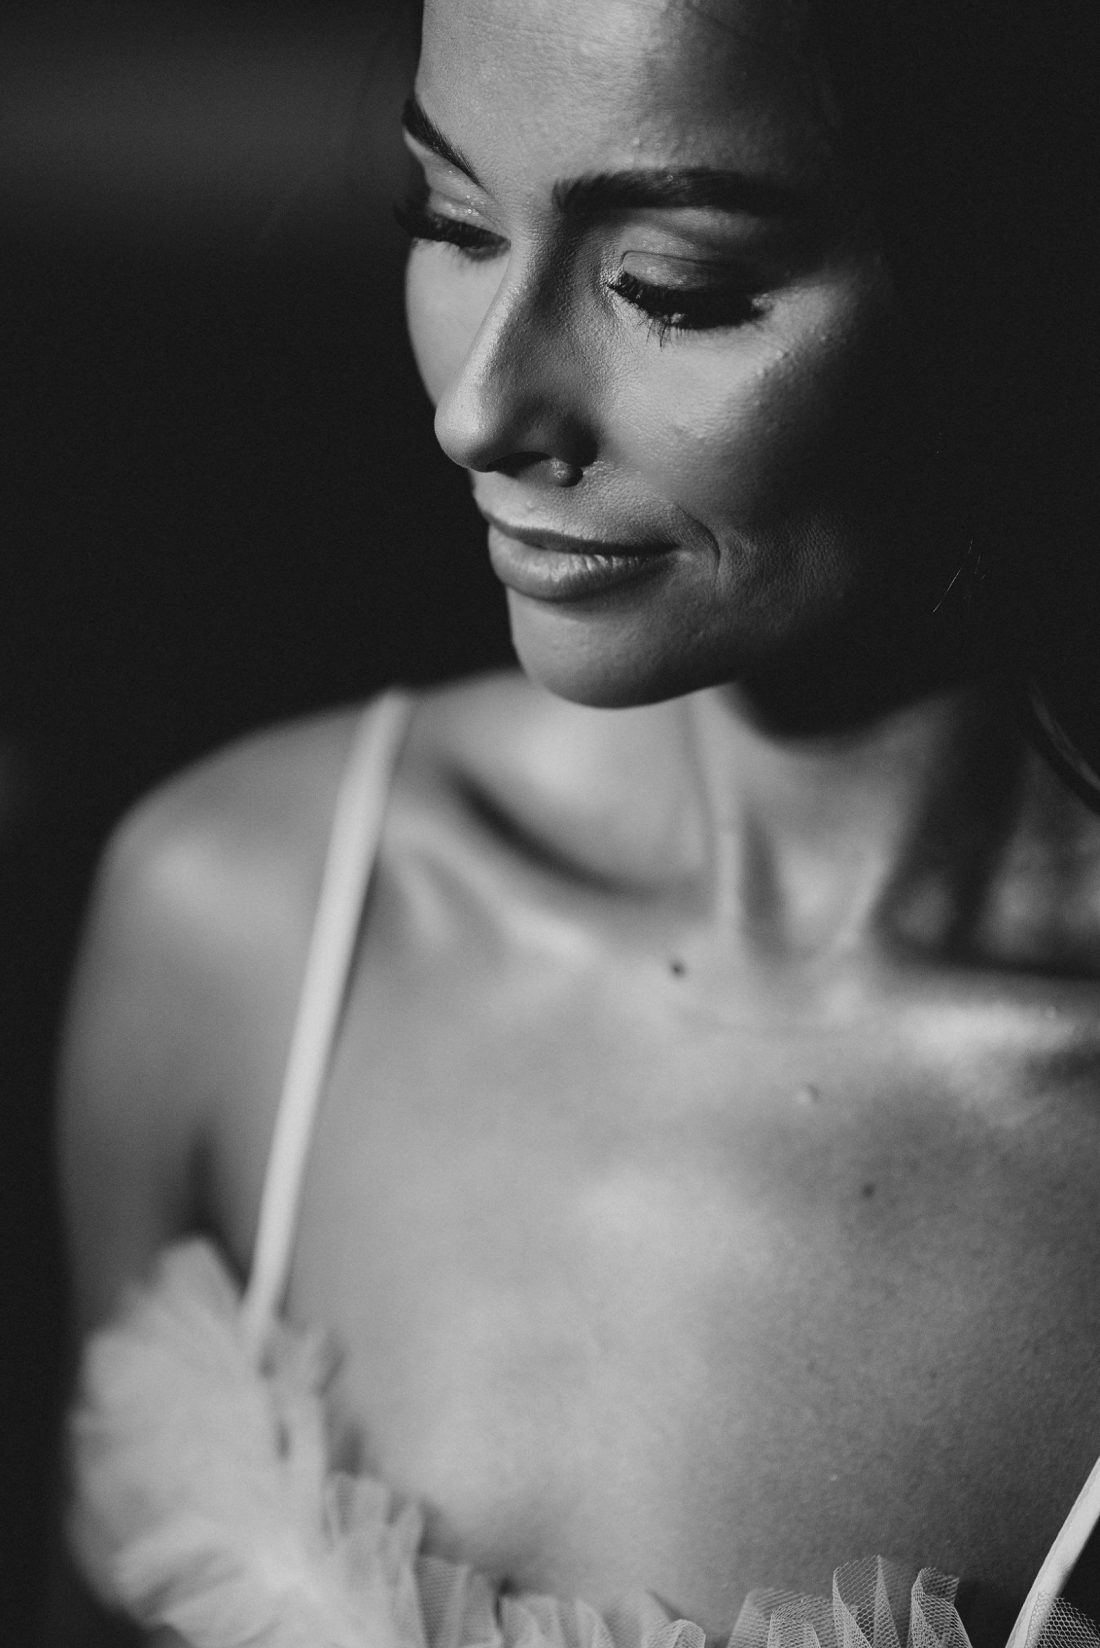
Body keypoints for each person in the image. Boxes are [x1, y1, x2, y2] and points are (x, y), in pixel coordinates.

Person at [56, 0, 1100, 1644]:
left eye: (675, 287)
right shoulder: (243, 920)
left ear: (1028, 269)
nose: (481, 411)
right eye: (452, 222)